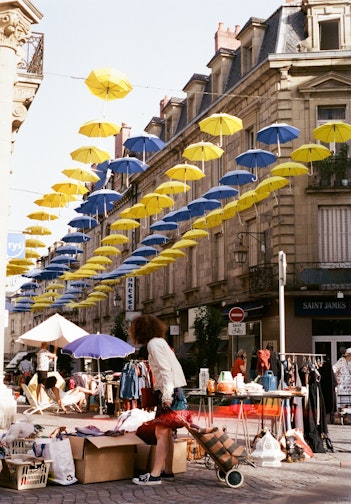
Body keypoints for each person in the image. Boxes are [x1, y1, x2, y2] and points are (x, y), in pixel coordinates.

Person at [129, 314, 189, 486]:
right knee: (167, 432)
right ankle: (168, 471)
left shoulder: (153, 344)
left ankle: (155, 475)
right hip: (174, 389)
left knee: (160, 433)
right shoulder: (160, 342)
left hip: (169, 391)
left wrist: (167, 396)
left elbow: (164, 371)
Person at [332, 347, 351, 424]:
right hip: (341, 386)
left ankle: (346, 417)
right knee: (340, 402)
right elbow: (334, 369)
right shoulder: (341, 361)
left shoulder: (350, 362)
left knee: (347, 402)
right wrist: (337, 378)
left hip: (348, 386)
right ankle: (338, 417)